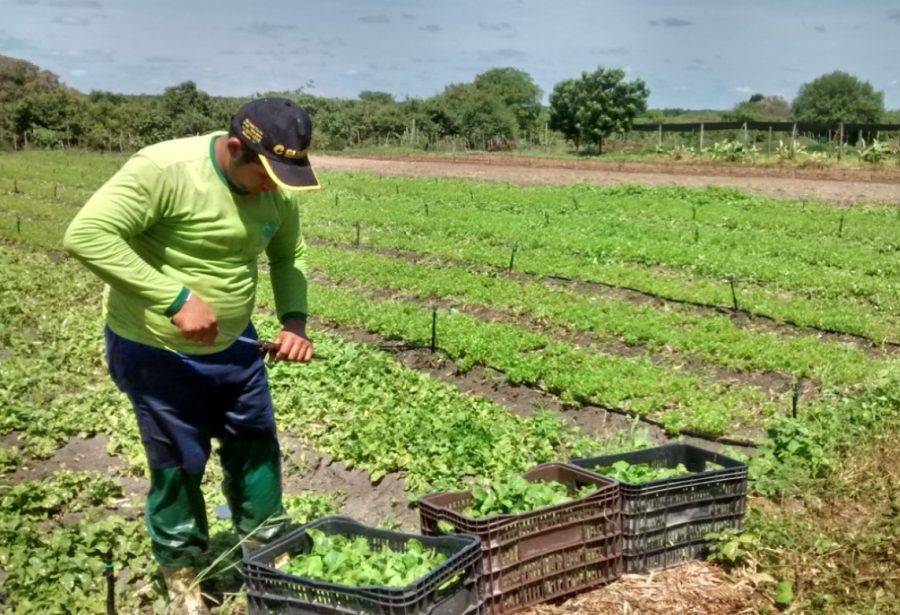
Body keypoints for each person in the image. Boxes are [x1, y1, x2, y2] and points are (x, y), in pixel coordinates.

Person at [63, 97, 320, 613]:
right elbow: (86, 234)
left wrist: (294, 321)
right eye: (268, 174)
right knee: (179, 463)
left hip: (237, 347)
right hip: (157, 352)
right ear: (233, 149)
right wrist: (175, 299)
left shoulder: (277, 187)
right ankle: (183, 573)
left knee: (256, 449)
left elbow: (288, 255)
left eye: (285, 175)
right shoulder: (165, 170)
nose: (275, 186)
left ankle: (266, 557)